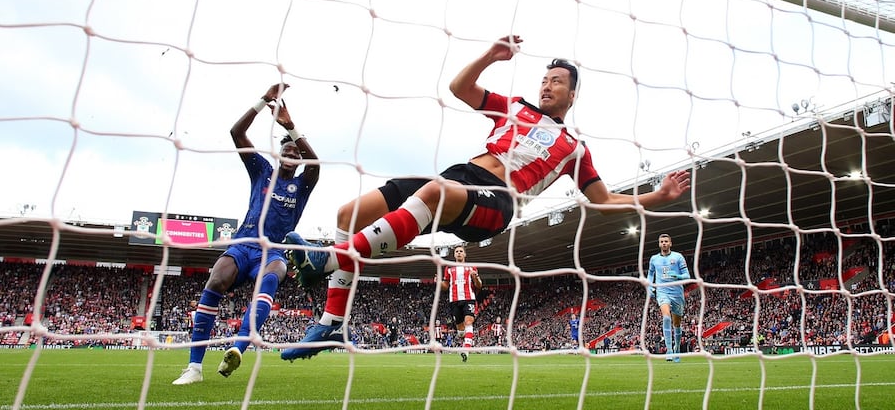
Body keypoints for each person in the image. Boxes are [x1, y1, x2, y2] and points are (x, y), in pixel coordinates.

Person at [280, 35, 691, 361]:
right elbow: (460, 88)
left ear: (572, 96)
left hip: (498, 203)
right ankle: (331, 321)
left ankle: (327, 261)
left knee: (434, 193)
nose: (548, 85)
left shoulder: (573, 147)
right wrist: (490, 56)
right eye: (545, 80)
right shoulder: (515, 107)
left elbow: (602, 199)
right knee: (350, 212)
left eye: (557, 82)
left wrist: (657, 196)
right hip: (462, 177)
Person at [172, 83, 320, 384]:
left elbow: (315, 163)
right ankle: (194, 368)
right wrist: (262, 101)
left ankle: (237, 350)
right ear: (279, 156)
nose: (291, 154)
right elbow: (236, 134)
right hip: (243, 244)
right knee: (215, 279)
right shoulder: (262, 171)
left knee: (274, 273)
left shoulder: (303, 184)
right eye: (286, 151)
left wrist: (291, 127)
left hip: (273, 251)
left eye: (295, 152)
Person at [647, 233, 690, 363]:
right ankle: (669, 350)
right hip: (662, 292)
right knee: (666, 317)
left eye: (666, 241)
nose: (664, 243)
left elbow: (687, 275)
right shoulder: (654, 259)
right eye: (662, 241)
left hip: (677, 293)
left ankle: (677, 348)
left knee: (676, 323)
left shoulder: (678, 257)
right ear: (659, 244)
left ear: (670, 243)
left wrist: (678, 276)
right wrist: (649, 286)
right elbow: (650, 274)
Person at [440, 245, 482, 362]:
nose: (459, 253)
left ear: (464, 254)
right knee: (460, 331)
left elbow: (479, 285)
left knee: (469, 321)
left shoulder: (471, 267)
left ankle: (466, 349)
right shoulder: (449, 268)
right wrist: (438, 282)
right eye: (457, 251)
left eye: (461, 251)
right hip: (454, 301)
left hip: (469, 298)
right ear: (454, 255)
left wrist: (476, 277)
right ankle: (463, 336)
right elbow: (445, 286)